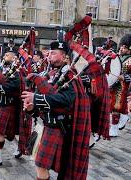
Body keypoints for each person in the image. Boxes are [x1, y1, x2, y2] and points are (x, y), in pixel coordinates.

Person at [22, 41, 91, 179]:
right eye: (49, 53)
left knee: (54, 168)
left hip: (60, 128)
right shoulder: (52, 74)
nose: (49, 56)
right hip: (46, 126)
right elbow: (48, 99)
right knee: (41, 166)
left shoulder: (71, 76)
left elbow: (66, 100)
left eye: (53, 53)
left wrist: (37, 99)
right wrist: (32, 108)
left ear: (65, 57)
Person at [109, 34, 131, 136]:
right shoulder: (117, 57)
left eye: (125, 47)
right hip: (114, 84)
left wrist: (126, 77)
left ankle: (114, 129)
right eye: (122, 46)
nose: (122, 48)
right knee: (114, 106)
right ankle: (125, 116)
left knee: (116, 106)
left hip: (122, 86)